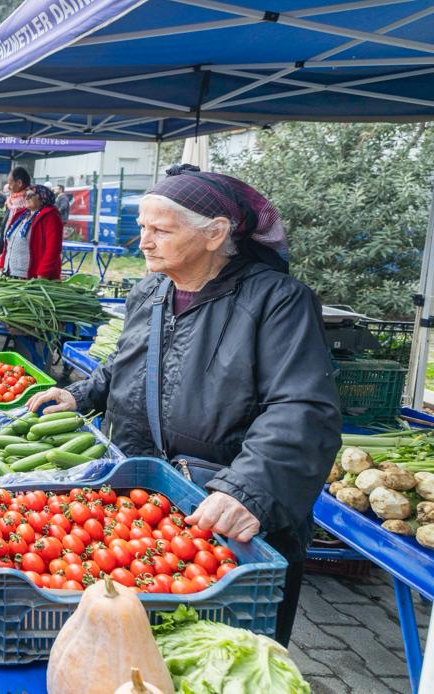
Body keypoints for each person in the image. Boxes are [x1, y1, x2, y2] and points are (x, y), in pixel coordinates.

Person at [26, 166, 341, 646]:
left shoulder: (278, 302)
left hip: (222, 516)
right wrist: (83, 394)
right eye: (143, 229)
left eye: (160, 231)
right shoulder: (150, 291)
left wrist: (247, 491)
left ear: (215, 234)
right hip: (145, 505)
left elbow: (302, 409)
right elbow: (127, 364)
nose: (144, 243)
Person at [0, 184, 63, 280]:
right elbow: (9, 243)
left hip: (31, 277)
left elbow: (53, 248)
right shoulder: (21, 214)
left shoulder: (51, 216)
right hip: (10, 272)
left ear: (42, 197)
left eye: (31, 195)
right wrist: (3, 263)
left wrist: (43, 273)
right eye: (25, 195)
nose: (26, 198)